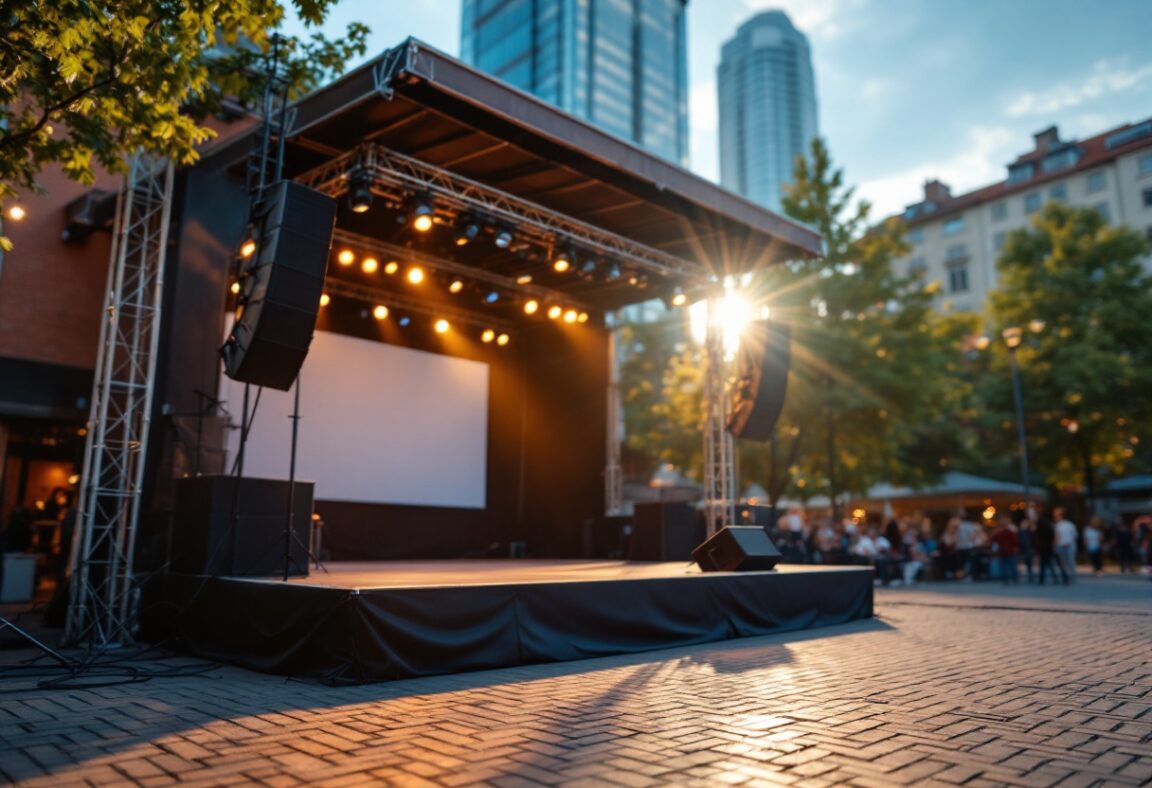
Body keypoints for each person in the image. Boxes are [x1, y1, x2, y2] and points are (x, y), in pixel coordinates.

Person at [1034, 513, 1065, 585]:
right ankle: (1060, 578)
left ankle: (1042, 579)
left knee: (1044, 566)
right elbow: (1054, 537)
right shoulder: (1050, 527)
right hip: (1049, 548)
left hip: (1044, 549)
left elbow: (1037, 540)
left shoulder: (1039, 530)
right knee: (1054, 564)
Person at [1053, 507, 1078, 585]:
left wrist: (1054, 545)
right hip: (1068, 545)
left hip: (1064, 545)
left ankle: (1068, 577)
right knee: (1069, 562)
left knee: (1065, 563)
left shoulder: (1059, 525)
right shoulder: (1070, 524)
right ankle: (1070, 577)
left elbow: (1057, 536)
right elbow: (1074, 536)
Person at [992, 515, 1019, 585]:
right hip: (1010, 551)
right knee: (1011, 565)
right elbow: (1015, 541)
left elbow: (994, 539)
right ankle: (1014, 578)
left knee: (1004, 566)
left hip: (1003, 551)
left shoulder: (999, 533)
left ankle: (1005, 579)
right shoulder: (1010, 532)